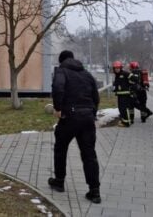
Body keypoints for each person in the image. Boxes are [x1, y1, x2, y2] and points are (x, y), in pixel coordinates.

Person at [48, 50, 101, 204]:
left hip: (69, 117)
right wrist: (93, 112)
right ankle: (94, 191)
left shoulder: (62, 71)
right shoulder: (86, 74)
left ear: (61, 61)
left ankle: (59, 181)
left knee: (60, 148)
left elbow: (58, 89)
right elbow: (95, 96)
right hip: (87, 118)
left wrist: (58, 109)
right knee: (89, 154)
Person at [112, 61, 136, 127]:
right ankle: (123, 120)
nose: (117, 69)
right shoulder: (117, 75)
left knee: (125, 109)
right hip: (120, 95)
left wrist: (131, 85)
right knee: (121, 108)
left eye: (118, 68)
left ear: (120, 68)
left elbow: (134, 78)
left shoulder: (125, 73)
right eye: (115, 68)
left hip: (125, 95)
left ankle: (127, 123)